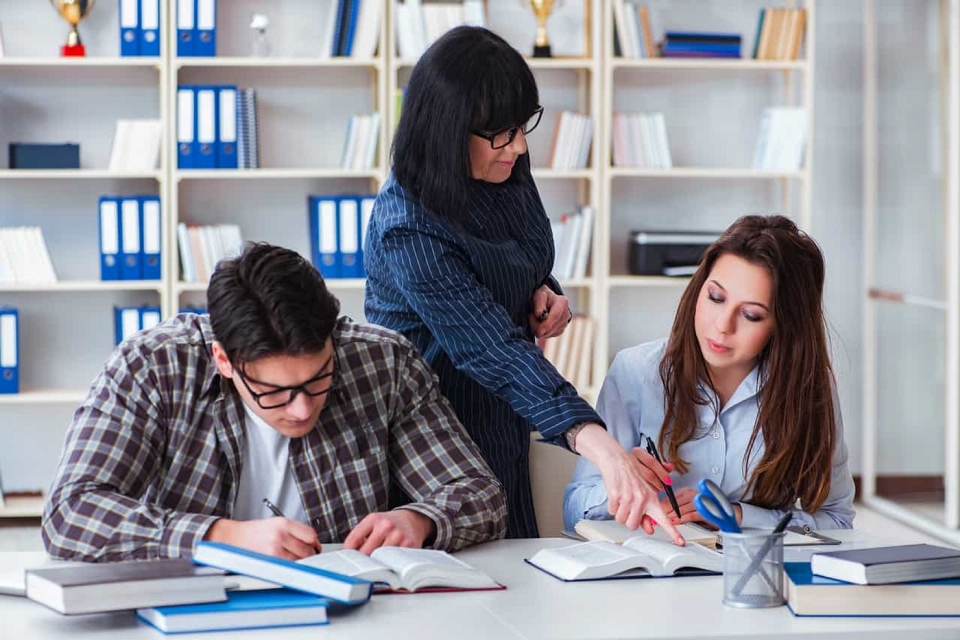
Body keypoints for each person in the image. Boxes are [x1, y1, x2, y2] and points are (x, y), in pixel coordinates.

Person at [363, 25, 681, 542]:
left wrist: (542, 289)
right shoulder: (408, 224)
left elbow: (521, 253)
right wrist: (600, 445)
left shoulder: (503, 160)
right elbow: (494, 348)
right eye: (502, 134)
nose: (519, 146)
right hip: (433, 439)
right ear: (447, 132)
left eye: (522, 127)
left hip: (504, 418)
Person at [42, 243, 507, 562]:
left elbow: (480, 493)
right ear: (223, 359)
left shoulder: (382, 360)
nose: (302, 409)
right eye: (274, 392)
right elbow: (70, 514)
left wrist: (418, 519)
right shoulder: (153, 366)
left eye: (318, 378)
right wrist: (223, 537)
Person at [564, 215, 855, 533]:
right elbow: (573, 511)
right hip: (652, 570)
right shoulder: (635, 371)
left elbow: (837, 520)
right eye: (715, 298)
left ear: (785, 325)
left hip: (755, 572)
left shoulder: (810, 387)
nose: (722, 325)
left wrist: (740, 516)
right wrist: (621, 484)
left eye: (751, 315)